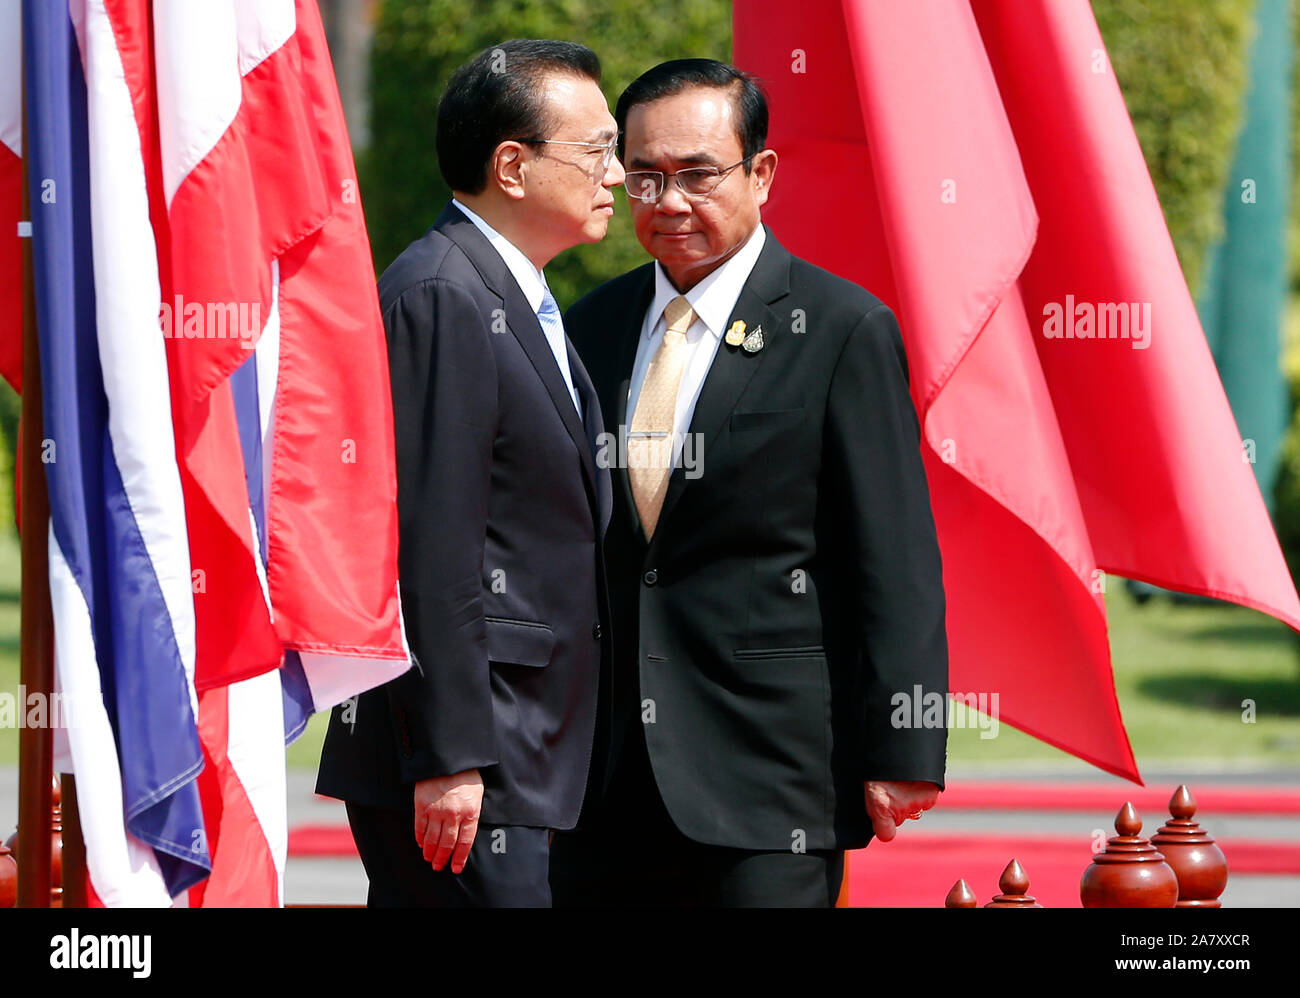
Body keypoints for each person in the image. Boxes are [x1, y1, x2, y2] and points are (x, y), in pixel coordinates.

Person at [550, 59, 948, 907]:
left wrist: (902, 749)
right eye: (646, 177)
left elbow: (895, 557)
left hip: (770, 776)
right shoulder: (591, 326)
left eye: (698, 174)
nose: (670, 201)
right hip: (606, 777)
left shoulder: (841, 329)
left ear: (760, 174)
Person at [315, 39, 622, 907]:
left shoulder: (512, 290)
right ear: (512, 166)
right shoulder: (445, 293)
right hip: (468, 764)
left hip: (525, 753)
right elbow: (428, 541)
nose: (619, 173)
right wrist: (449, 754)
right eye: (596, 149)